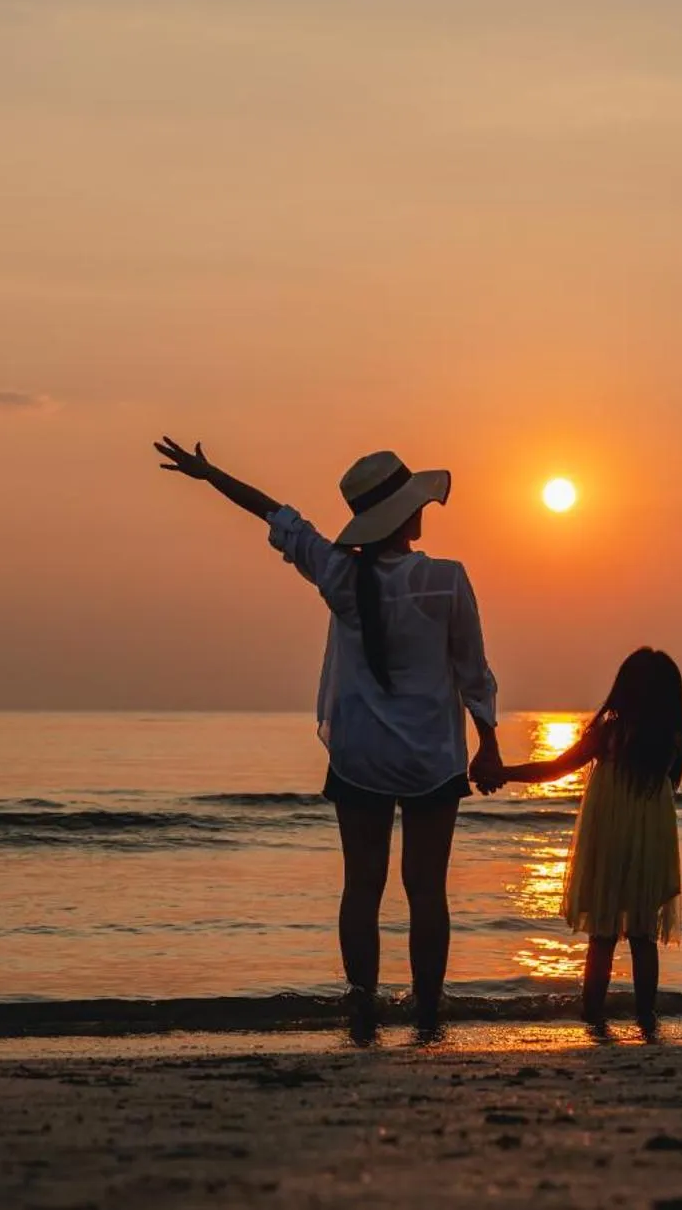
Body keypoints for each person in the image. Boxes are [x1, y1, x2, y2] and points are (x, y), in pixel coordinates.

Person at [153, 437, 501, 1036]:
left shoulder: (339, 572)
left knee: (361, 887)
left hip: (361, 753)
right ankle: (427, 1012)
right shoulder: (445, 579)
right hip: (431, 758)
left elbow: (273, 512)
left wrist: (210, 474)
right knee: (427, 891)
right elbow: (472, 669)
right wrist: (489, 742)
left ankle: (362, 1006)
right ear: (409, 515)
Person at [476, 649, 682, 1031]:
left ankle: (593, 1016)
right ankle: (646, 1018)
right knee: (642, 936)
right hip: (650, 842)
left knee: (602, 936)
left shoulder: (607, 735)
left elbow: (554, 769)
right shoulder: (669, 741)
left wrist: (503, 772)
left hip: (606, 840)